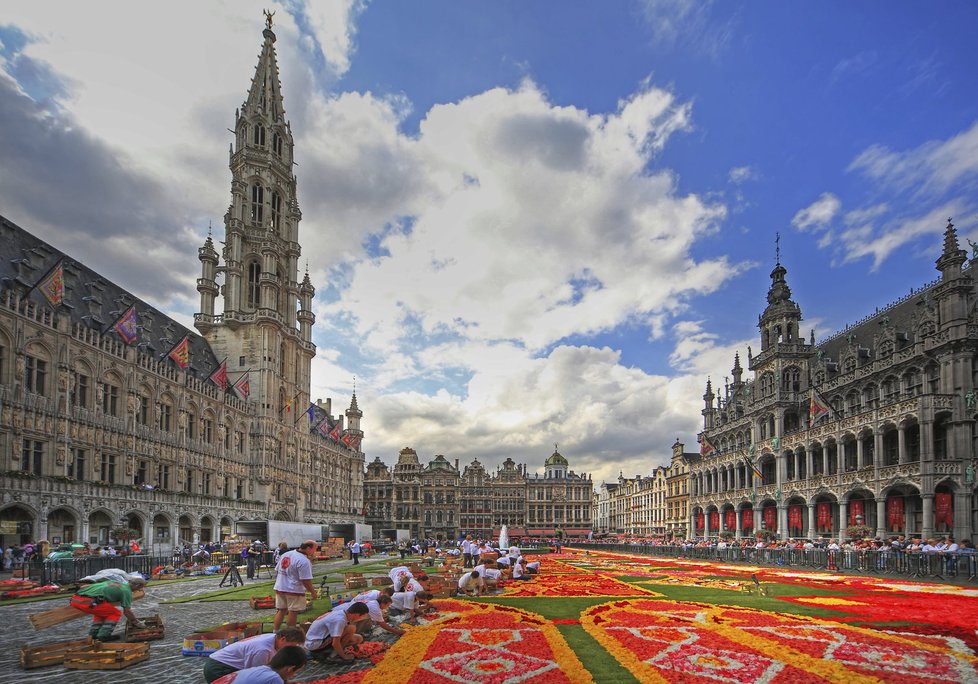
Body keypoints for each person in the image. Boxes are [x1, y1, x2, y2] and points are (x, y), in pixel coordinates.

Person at [203, 627, 306, 683]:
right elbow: (258, 675)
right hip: (218, 666)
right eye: (292, 645)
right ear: (283, 639)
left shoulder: (273, 638)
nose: (292, 649)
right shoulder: (263, 650)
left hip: (223, 663)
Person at [69, 578, 147, 641]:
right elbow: (127, 611)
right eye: (141, 587)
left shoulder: (114, 582)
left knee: (103, 612)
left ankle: (93, 635)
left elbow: (83, 587)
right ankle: (103, 636)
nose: (140, 590)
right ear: (137, 585)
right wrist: (135, 622)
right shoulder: (126, 591)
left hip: (75, 599)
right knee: (115, 613)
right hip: (88, 602)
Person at [272, 539, 318, 631]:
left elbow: (278, 570)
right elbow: (305, 580)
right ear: (308, 548)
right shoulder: (304, 561)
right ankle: (290, 632)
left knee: (281, 610)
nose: (315, 552)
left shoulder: (287, 554)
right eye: (315, 549)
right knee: (293, 612)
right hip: (293, 589)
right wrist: (313, 592)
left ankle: (275, 631)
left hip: (280, 586)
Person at [305, 601, 370, 661]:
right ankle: (333, 656)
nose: (360, 619)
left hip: (320, 639)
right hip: (314, 643)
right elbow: (335, 643)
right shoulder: (340, 619)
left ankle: (333, 651)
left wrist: (355, 648)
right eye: (361, 617)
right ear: (357, 615)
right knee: (351, 628)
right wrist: (344, 656)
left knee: (358, 638)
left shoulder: (342, 613)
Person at [212, 645, 307, 684]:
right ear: (290, 669)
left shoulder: (262, 669)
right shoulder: (274, 678)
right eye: (296, 672)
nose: (293, 676)